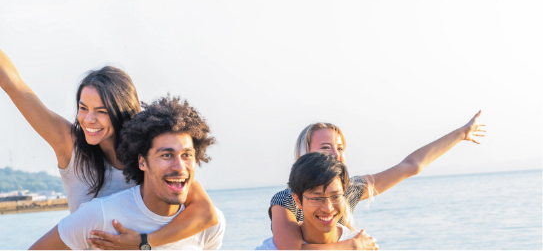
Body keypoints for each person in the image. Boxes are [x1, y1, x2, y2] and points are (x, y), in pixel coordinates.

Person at [0, 49, 218, 249]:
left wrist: (143, 243)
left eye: (101, 111)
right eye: (83, 108)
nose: (88, 119)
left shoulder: (149, 156)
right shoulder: (70, 147)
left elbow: (206, 214)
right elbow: (15, 85)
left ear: (121, 110)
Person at [30, 95, 225, 250]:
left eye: (187, 155)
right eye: (166, 155)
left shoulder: (211, 226)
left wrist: (143, 243)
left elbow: (208, 216)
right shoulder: (100, 217)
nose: (179, 166)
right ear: (142, 161)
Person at [270, 114, 486, 249]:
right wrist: (352, 246)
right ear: (304, 152)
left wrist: (461, 134)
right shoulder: (287, 200)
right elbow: (293, 250)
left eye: (340, 148)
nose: (336, 154)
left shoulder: (349, 189)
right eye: (326, 147)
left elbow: (411, 166)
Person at [257, 152, 378, 250]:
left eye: (335, 196)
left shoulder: (364, 245)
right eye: (316, 198)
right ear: (297, 200)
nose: (328, 208)